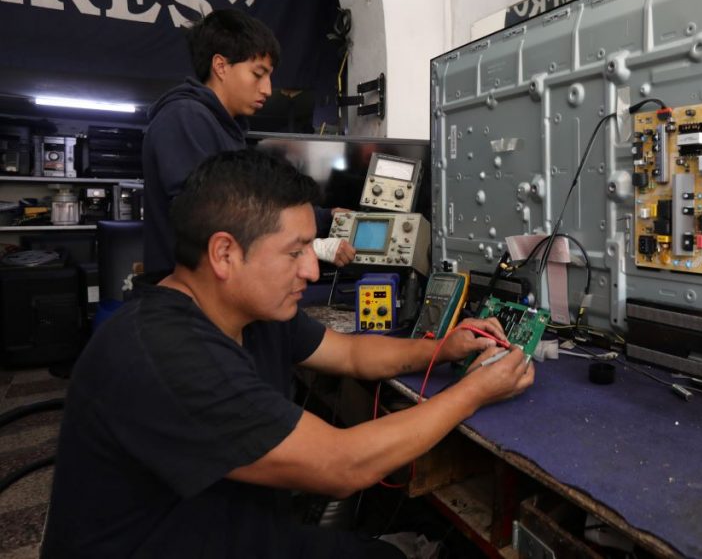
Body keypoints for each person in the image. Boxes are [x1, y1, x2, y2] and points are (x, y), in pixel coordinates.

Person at [42, 149, 535, 558]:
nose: (312, 272)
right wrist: (475, 391)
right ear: (225, 254)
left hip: (224, 529)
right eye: (296, 252)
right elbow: (343, 466)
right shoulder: (163, 353)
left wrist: (441, 350)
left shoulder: (253, 313)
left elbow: (353, 356)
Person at [142, 7, 354, 275]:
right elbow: (208, 217)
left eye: (269, 76)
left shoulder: (227, 128)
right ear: (220, 66)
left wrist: (326, 217)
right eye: (258, 74)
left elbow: (252, 203)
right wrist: (305, 247)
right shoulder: (185, 118)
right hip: (187, 297)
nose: (267, 88)